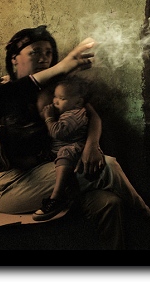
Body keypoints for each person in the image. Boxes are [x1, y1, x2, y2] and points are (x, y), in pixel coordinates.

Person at [0, 25, 150, 249]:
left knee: (109, 202)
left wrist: (92, 146)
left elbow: (91, 115)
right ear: (14, 59)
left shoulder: (57, 90)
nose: (43, 58)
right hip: (14, 185)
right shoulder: (0, 93)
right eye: (35, 52)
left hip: (54, 171)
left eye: (48, 52)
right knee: (108, 166)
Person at [31, 77, 91, 221]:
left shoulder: (76, 114)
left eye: (62, 98)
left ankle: (57, 197)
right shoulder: (66, 112)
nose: (55, 101)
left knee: (65, 153)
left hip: (73, 150)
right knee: (40, 155)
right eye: (55, 97)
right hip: (57, 150)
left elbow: (58, 132)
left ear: (78, 102)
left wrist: (49, 118)